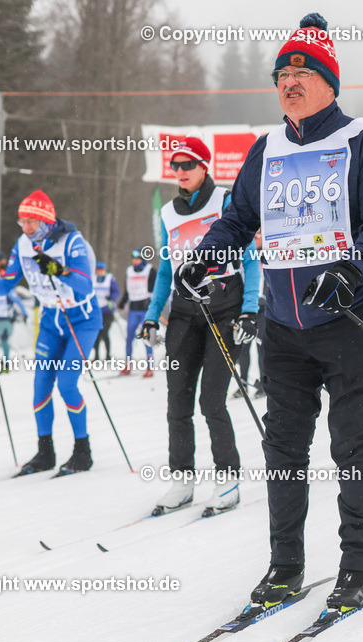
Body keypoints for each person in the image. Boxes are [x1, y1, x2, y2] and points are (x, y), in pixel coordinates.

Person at [175, 12, 363, 615]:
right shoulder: (266, 148)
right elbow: (236, 219)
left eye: (303, 70)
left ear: (330, 79)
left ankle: (358, 566)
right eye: (282, 72)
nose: (290, 80)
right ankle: (286, 565)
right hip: (284, 323)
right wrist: (206, 259)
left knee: (353, 445)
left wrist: (353, 269)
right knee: (283, 447)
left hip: (348, 317)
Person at [140, 136, 260, 516]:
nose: (180, 172)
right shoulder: (169, 213)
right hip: (184, 310)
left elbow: (251, 259)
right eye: (175, 166)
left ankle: (227, 481)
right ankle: (182, 480)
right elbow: (165, 268)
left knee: (211, 399)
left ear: (204, 166)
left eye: (187, 164)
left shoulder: (224, 200)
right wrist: (150, 314)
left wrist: (251, 310)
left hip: (225, 307)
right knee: (178, 399)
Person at [0, 190, 100, 476]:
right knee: (41, 386)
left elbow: (87, 286)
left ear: (47, 220)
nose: (26, 228)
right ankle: (45, 452)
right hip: (51, 318)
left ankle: (82, 451)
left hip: (81, 318)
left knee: (66, 383)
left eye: (31, 222)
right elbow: (5, 286)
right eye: (22, 222)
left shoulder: (72, 241)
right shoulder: (22, 244)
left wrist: (60, 270)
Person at [234, 230, 266, 400]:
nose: (255, 238)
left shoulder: (268, 254)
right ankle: (243, 384)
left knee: (261, 347)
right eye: (253, 235)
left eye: (259, 235)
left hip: (262, 307)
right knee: (243, 347)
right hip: (245, 308)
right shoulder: (243, 254)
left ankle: (263, 383)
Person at [0, 252, 28, 360]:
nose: (5, 264)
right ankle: (2, 362)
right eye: (3, 262)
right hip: (1, 314)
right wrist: (24, 312)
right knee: (2, 340)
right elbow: (14, 296)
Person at [119, 249, 156, 377]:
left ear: (143, 260)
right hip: (133, 310)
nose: (135, 261)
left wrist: (153, 303)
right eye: (134, 259)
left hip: (146, 310)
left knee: (146, 338)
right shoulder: (129, 271)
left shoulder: (150, 270)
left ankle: (149, 368)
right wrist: (122, 302)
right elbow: (127, 291)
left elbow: (157, 289)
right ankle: (128, 365)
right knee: (129, 337)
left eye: (138, 259)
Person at [92, 261, 120, 361]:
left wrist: (111, 297)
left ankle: (108, 355)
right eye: (98, 269)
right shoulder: (93, 279)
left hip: (107, 310)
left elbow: (117, 292)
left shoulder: (110, 279)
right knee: (97, 334)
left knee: (104, 332)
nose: (99, 271)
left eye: (101, 269)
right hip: (96, 311)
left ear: (104, 270)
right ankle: (96, 356)